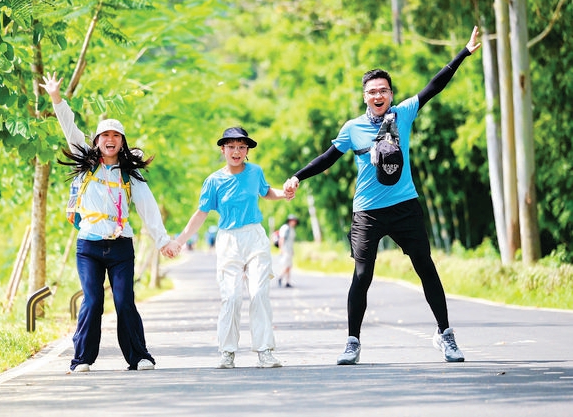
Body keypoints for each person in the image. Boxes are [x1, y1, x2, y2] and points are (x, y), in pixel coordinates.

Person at [283, 26, 481, 365]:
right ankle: (352, 342)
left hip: (404, 206)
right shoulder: (352, 128)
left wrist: (463, 52)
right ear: (365, 96)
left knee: (426, 267)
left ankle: (445, 335)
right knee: (362, 275)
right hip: (367, 212)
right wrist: (297, 176)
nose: (379, 95)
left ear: (391, 94)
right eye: (372, 91)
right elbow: (328, 158)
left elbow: (434, 86)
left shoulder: (402, 114)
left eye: (384, 90)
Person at [40, 72, 180, 373]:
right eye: (105, 135)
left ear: (122, 142)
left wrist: (163, 241)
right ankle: (81, 359)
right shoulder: (86, 164)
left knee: (124, 301)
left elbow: (148, 208)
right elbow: (69, 127)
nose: (110, 140)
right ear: (96, 141)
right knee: (92, 302)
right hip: (89, 246)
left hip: (121, 247)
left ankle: (139, 356)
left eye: (116, 136)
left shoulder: (130, 175)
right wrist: (56, 97)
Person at [171, 127, 288, 369]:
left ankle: (265, 350)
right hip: (229, 241)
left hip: (254, 236)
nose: (236, 151)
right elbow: (201, 213)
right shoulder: (214, 181)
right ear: (222, 149)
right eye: (232, 147)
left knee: (259, 293)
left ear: (247, 151)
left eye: (241, 147)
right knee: (232, 297)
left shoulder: (255, 172)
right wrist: (180, 241)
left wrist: (284, 194)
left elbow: (266, 192)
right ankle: (227, 352)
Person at [277, 214, 299, 288]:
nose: (294, 222)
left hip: (289, 249)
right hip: (285, 249)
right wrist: (281, 249)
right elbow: (281, 239)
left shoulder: (292, 229)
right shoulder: (285, 228)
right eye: (293, 221)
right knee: (286, 265)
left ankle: (287, 281)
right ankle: (280, 277)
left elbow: (291, 241)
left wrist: (292, 250)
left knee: (289, 266)